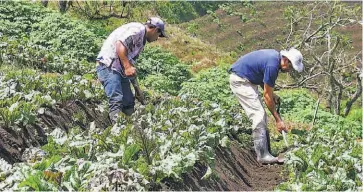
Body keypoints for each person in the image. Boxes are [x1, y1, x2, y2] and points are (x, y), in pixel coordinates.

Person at [228, 48, 304, 164]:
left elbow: (263, 81)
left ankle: (266, 151)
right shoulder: (272, 66)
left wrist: (273, 94)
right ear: (285, 60)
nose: (289, 70)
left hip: (247, 79)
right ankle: (262, 155)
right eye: (290, 67)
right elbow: (267, 96)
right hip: (241, 80)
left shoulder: (274, 59)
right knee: (258, 114)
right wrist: (278, 120)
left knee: (261, 115)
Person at [96, 17, 166, 123]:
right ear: (156, 30)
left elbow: (130, 66)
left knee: (128, 102)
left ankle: (129, 130)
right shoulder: (138, 30)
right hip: (108, 65)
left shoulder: (141, 42)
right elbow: (120, 45)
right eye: (159, 35)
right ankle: (116, 131)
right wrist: (127, 67)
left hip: (119, 69)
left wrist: (137, 90)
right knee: (116, 99)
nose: (157, 38)